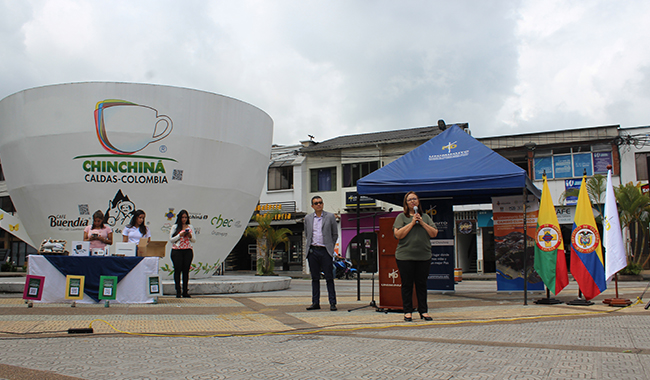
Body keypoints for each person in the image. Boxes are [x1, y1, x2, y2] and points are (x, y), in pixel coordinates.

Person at [393, 191, 438, 322]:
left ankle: (423, 311)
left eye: (415, 199)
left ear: (418, 201)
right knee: (407, 285)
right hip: (405, 256)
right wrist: (412, 223)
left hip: (423, 256)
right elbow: (398, 235)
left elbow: (434, 233)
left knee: (421, 284)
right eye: (409, 200)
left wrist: (422, 222)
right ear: (406, 203)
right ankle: (407, 311)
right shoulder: (401, 217)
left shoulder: (425, 217)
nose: (412, 201)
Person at [304, 196, 339, 311]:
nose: (319, 204)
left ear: (323, 204)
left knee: (329, 277)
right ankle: (315, 303)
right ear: (312, 206)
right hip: (313, 251)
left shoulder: (330, 217)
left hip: (325, 251)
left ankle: (332, 303)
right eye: (316, 203)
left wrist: (330, 246)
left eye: (320, 202)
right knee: (315, 278)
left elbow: (335, 234)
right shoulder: (308, 218)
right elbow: (307, 234)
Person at [169, 210, 196, 298]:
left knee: (186, 271)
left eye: (185, 217)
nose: (184, 219)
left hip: (187, 250)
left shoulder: (190, 226)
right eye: (182, 217)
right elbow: (171, 240)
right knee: (177, 270)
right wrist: (180, 235)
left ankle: (185, 291)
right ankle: (178, 290)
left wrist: (190, 235)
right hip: (177, 250)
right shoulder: (175, 227)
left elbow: (194, 240)